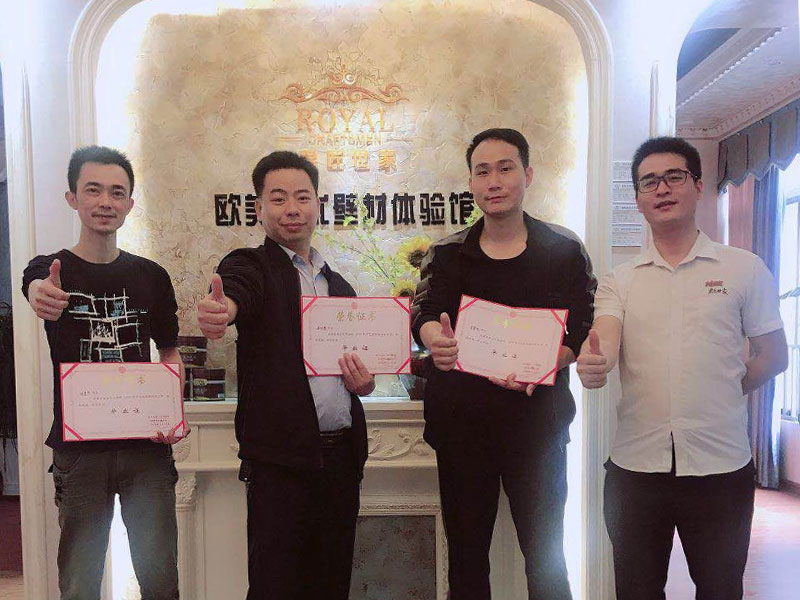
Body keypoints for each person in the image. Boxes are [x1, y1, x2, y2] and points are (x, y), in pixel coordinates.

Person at [576, 136, 788, 600]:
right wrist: (596, 362)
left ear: (697, 185)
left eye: (674, 176)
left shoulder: (743, 269)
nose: (662, 188)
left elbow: (774, 356)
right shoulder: (619, 280)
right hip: (636, 470)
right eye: (649, 181)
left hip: (721, 467)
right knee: (636, 591)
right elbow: (606, 334)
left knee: (720, 590)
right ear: (638, 199)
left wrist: (725, 387)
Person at [411, 128, 596, 600]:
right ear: (471, 183)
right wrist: (436, 341)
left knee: (547, 557)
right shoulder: (447, 253)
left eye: (505, 168)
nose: (493, 181)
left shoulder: (563, 249)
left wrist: (554, 358)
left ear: (527, 175)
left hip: (538, 430)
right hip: (462, 430)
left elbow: (583, 322)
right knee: (467, 559)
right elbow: (423, 313)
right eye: (482, 171)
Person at [196, 150, 374, 600]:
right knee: (275, 586)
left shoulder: (339, 286)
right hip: (280, 463)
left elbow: (356, 375)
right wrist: (223, 310)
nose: (292, 208)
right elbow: (236, 292)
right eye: (278, 198)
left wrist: (364, 383)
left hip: (341, 458)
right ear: (260, 208)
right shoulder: (252, 266)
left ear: (318, 204)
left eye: (302, 197)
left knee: (332, 583)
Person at [22, 145, 185, 600]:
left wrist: (172, 414)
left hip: (146, 450)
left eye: (117, 192)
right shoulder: (51, 269)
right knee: (79, 581)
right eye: (93, 190)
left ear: (130, 203)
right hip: (79, 452)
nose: (105, 202)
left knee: (160, 578)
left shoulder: (152, 275)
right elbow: (35, 283)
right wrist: (40, 292)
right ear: (72, 198)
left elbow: (169, 352)